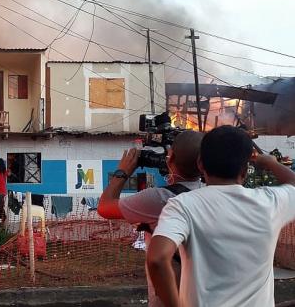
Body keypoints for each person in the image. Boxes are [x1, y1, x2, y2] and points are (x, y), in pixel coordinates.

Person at [147, 126, 295, 307]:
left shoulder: (183, 205)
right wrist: (270, 162)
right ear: (244, 170)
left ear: (200, 163)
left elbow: (157, 259)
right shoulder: (271, 203)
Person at [97, 130, 204, 307]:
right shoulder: (211, 194)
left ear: (170, 160)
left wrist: (122, 172)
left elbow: (104, 207)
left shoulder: (159, 199)